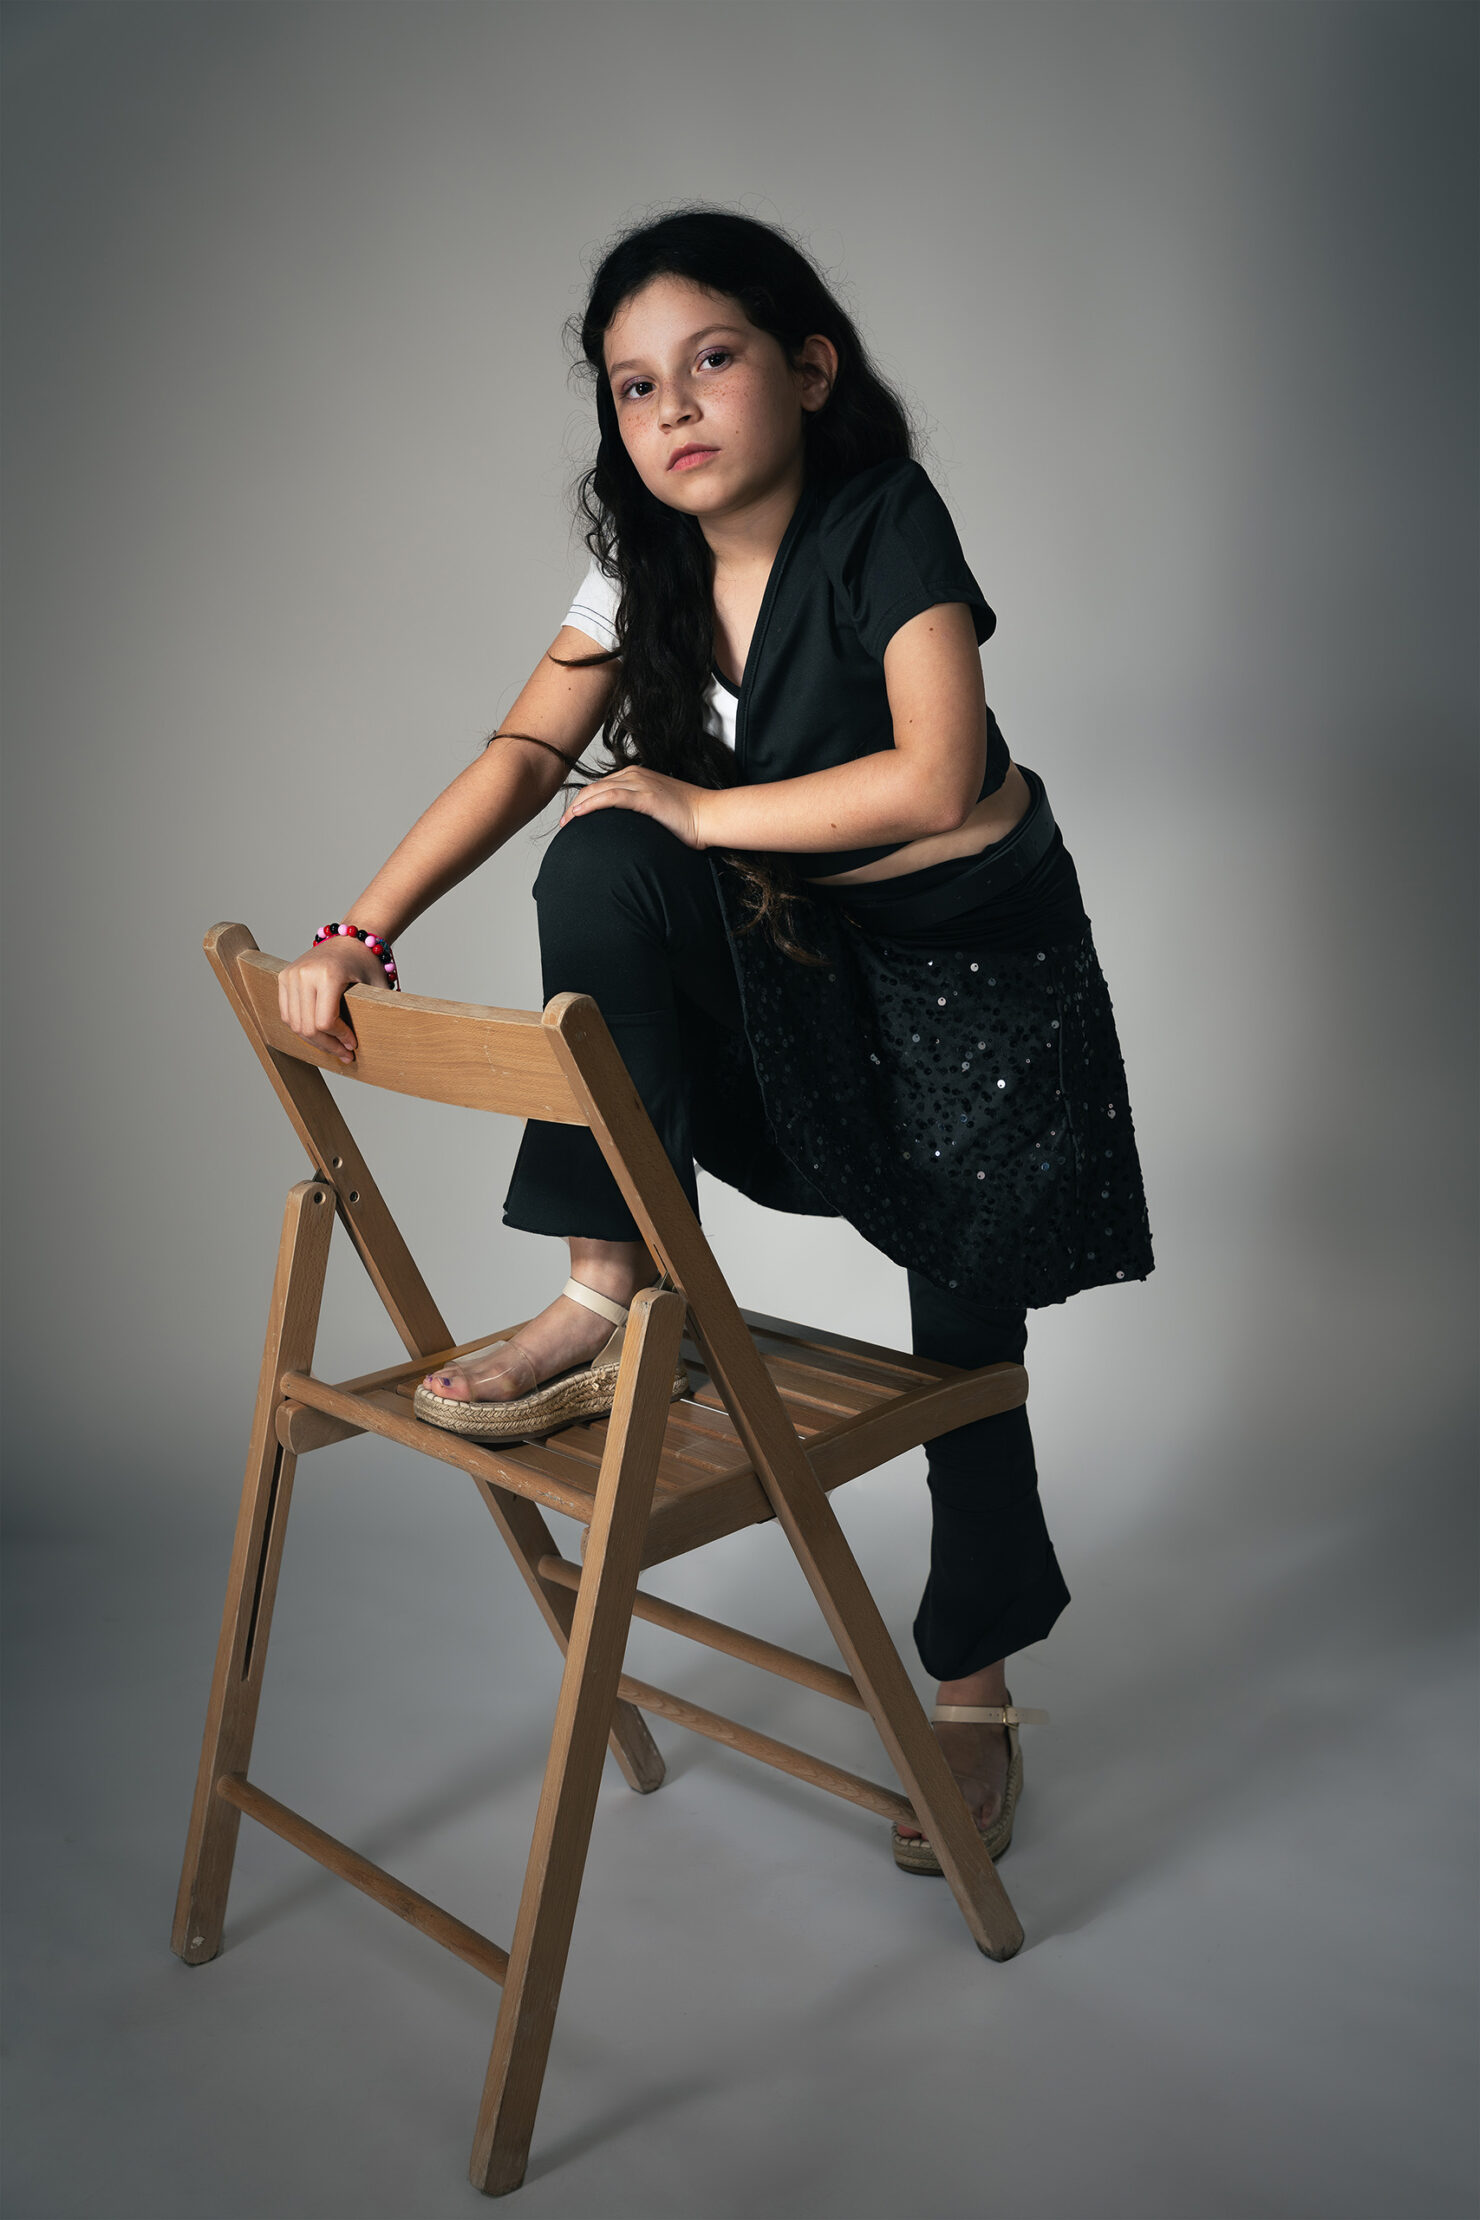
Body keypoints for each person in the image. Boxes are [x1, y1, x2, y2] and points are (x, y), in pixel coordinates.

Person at [277, 208, 1154, 1875]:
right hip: (809, 958)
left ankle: (971, 1699)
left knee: (967, 1345)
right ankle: (606, 1289)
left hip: (978, 980)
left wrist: (693, 801)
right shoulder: (643, 564)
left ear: (809, 369)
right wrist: (357, 931)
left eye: (713, 358)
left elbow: (934, 778)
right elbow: (526, 753)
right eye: (632, 385)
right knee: (599, 851)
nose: (672, 405)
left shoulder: (884, 518)